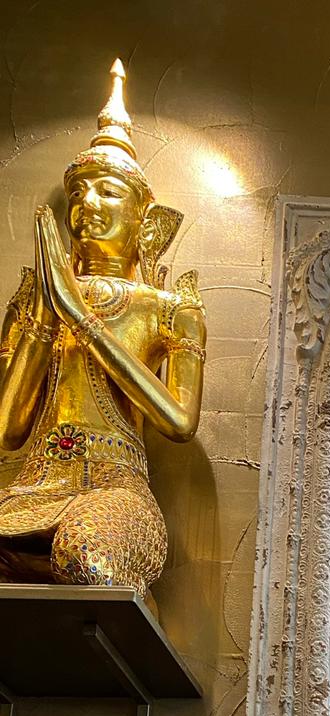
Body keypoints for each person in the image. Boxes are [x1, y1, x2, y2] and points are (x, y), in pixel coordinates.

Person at [0, 60, 205, 593]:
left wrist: (79, 316)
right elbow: (8, 432)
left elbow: (179, 422)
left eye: (108, 192)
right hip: (32, 486)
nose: (87, 205)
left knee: (85, 558)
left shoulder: (169, 309)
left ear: (146, 221)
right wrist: (46, 313)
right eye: (78, 194)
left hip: (117, 492)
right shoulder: (35, 300)